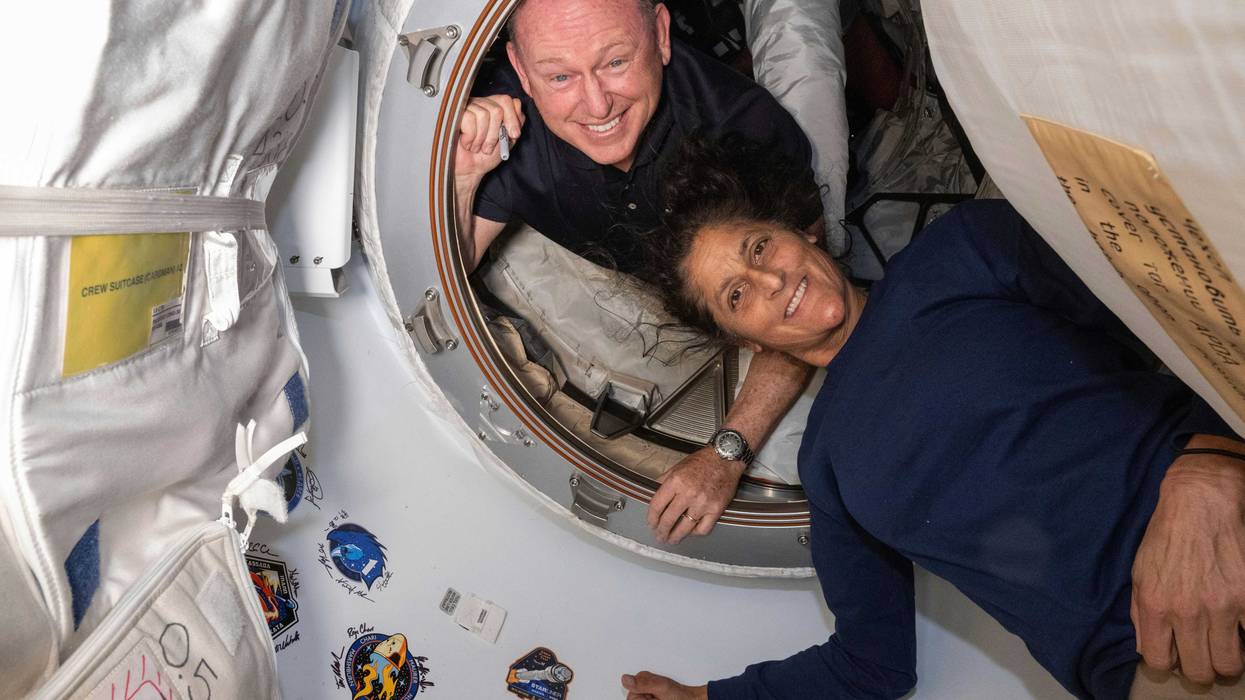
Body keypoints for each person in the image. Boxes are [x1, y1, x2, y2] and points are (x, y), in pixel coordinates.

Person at [620, 134, 1245, 699]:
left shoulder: (961, 250)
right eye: (737, 295)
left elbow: (1183, 314)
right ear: (745, 342)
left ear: (800, 231)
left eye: (759, 247)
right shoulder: (827, 465)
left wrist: (1211, 464)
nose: (770, 280)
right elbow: (871, 665)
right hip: (1161, 669)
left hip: (1223, 523)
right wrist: (707, 699)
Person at [453, 0, 825, 542]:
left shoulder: (742, 129)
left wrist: (727, 452)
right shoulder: (507, 123)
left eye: (615, 62)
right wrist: (465, 176)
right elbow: (450, 266)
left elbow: (807, 306)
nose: (596, 102)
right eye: (559, 75)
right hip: (632, 277)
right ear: (521, 71)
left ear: (662, 34)